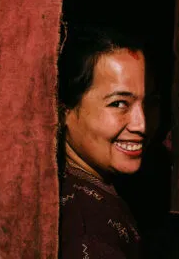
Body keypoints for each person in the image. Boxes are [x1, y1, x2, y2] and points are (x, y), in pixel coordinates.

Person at [57, 26, 156, 259]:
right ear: (64, 112)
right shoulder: (85, 227)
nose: (141, 125)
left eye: (150, 103)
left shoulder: (90, 189)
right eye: (119, 103)